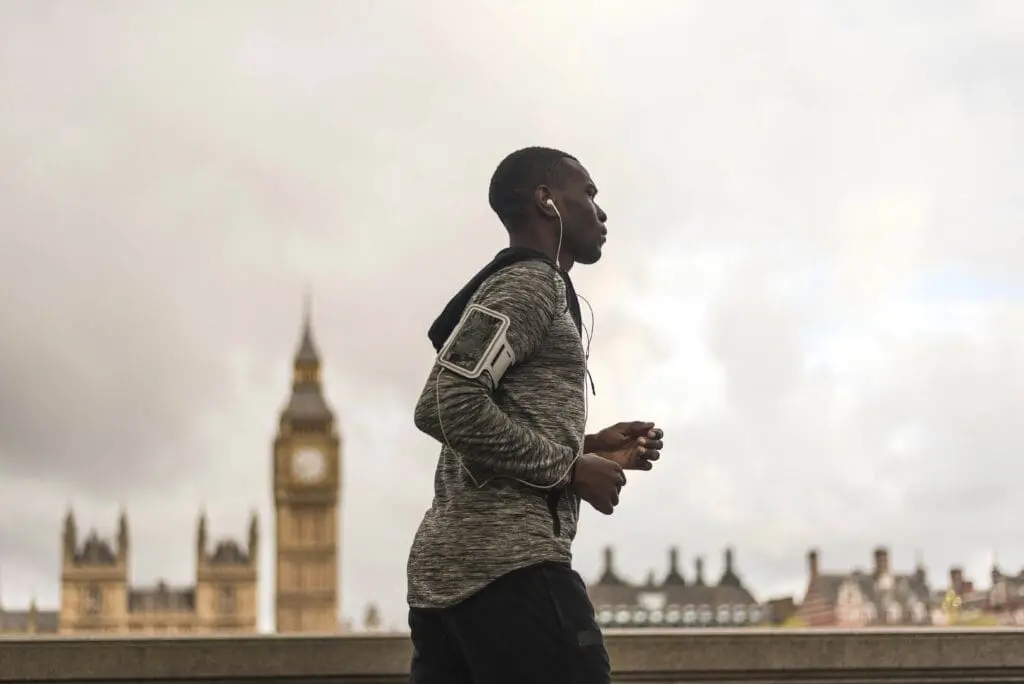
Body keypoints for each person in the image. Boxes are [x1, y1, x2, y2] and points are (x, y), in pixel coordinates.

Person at [408, 146, 665, 683]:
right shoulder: (528, 284)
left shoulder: (527, 286)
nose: (601, 212)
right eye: (588, 194)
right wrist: (570, 469)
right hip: (509, 572)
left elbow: (478, 412)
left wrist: (588, 446)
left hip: (455, 580)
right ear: (548, 201)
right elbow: (445, 405)